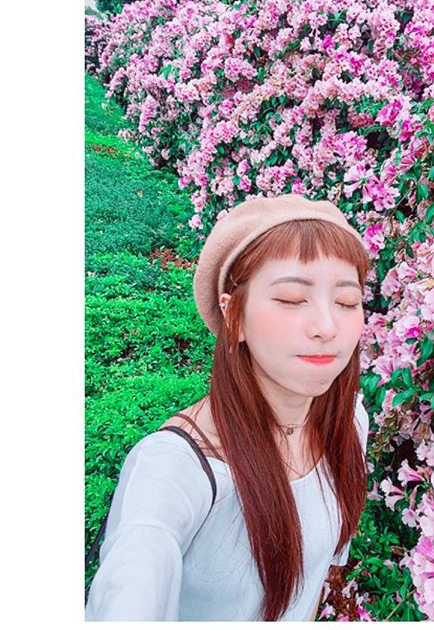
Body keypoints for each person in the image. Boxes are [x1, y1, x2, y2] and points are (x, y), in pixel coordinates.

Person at [85, 193, 372, 621]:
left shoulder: (349, 421)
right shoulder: (173, 470)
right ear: (233, 316)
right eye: (291, 298)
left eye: (347, 303)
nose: (327, 327)